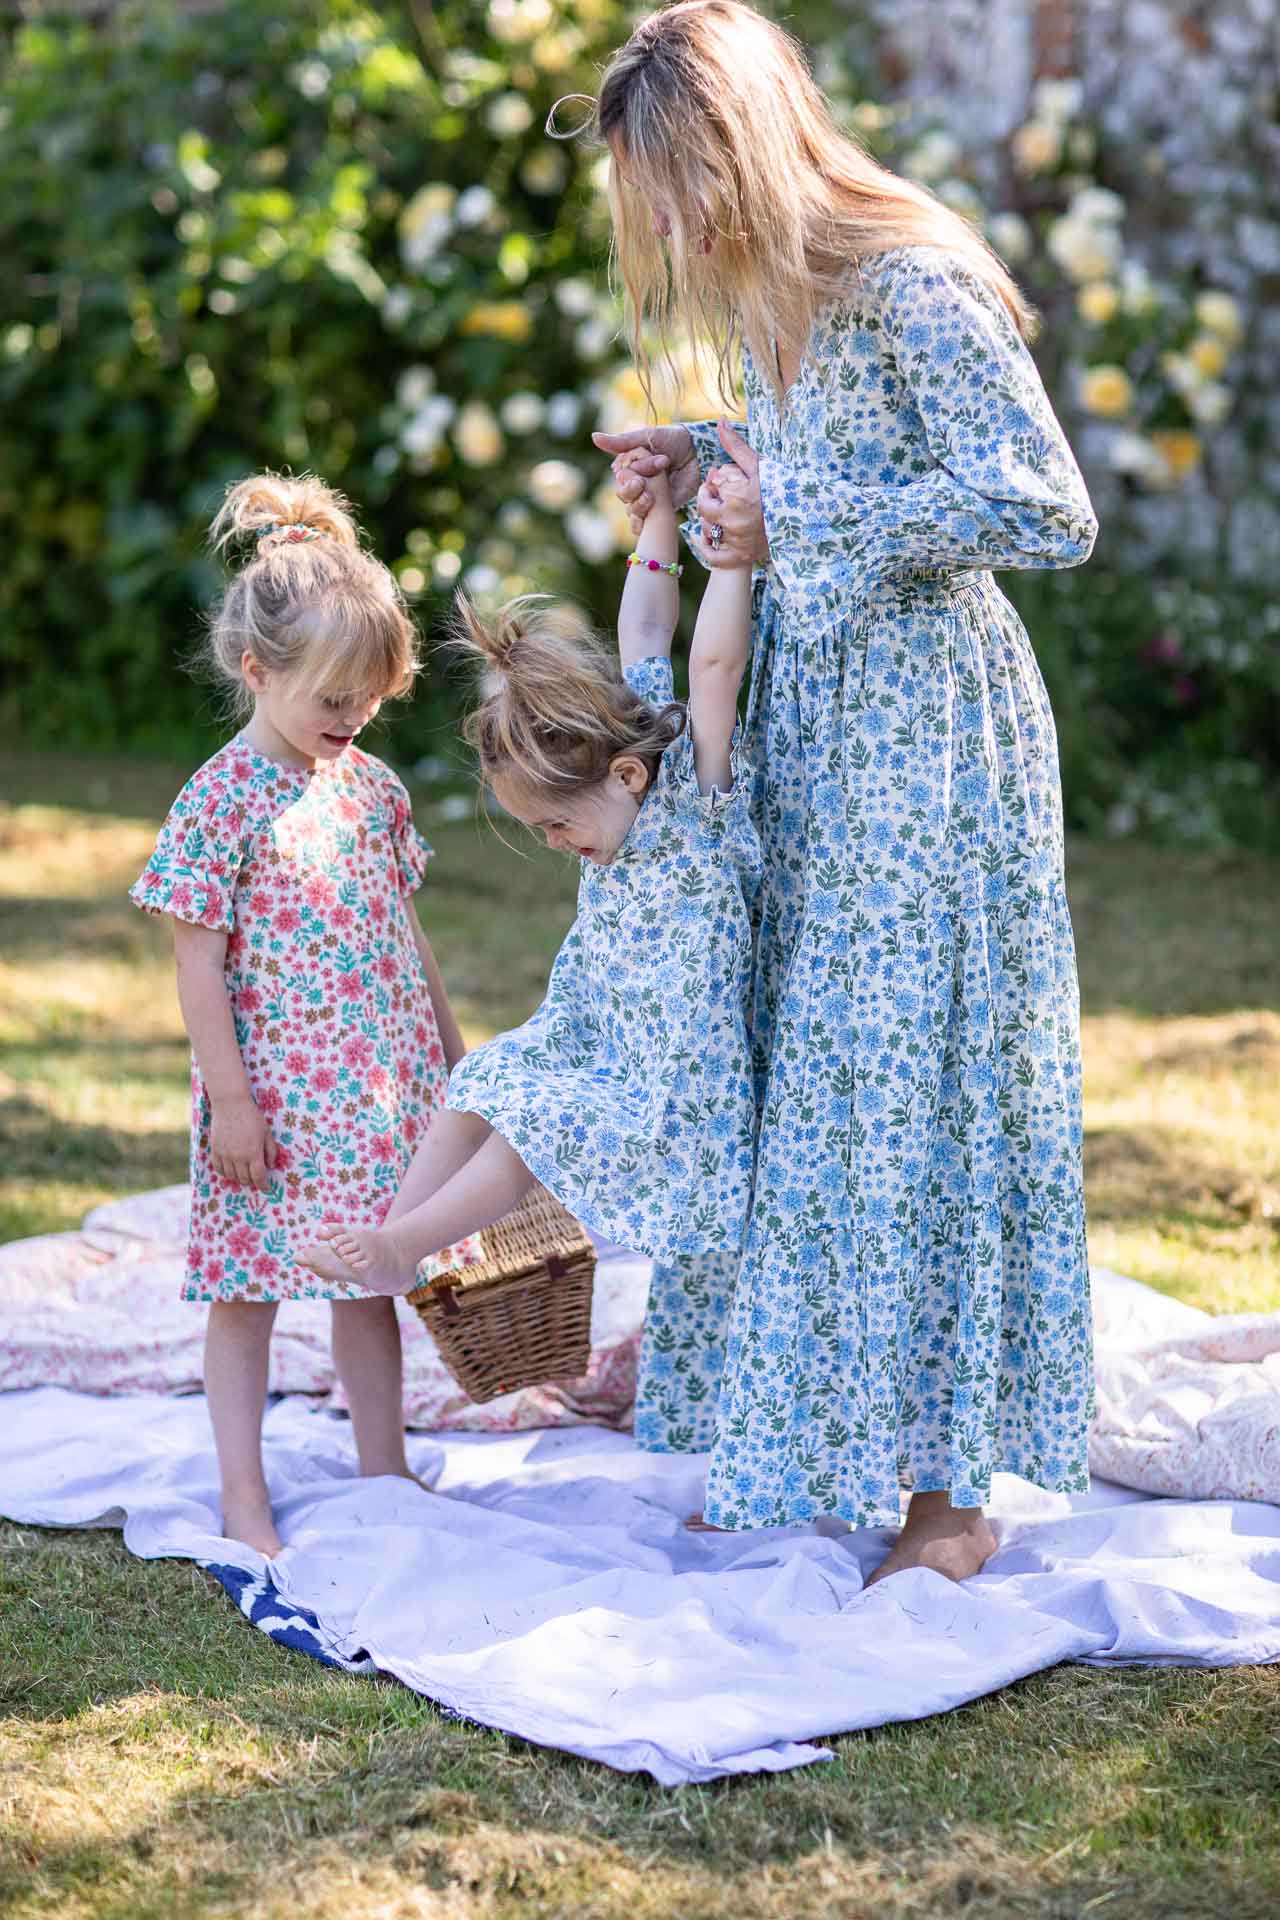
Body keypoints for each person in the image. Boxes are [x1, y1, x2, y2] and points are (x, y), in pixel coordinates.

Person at [589, 0, 1099, 1582]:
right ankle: (814, 1428)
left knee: (916, 1080)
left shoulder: (918, 282)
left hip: (930, 736)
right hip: (810, 709)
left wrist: (794, 498)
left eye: (669, 183)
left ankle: (951, 1498)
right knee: (812, 1077)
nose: (661, 224)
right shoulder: (760, 297)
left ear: (734, 148)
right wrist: (700, 460)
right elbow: (802, 463)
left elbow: (1048, 507)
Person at [296, 458, 761, 1293]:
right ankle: (393, 1235)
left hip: (668, 1091)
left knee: (530, 1124)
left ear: (625, 777)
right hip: (594, 1038)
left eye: (554, 822)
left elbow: (715, 668)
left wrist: (731, 561)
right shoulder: (621, 763)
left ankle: (405, 1249)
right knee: (485, 1081)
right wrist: (656, 516)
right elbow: (647, 629)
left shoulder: (695, 797)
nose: (550, 842)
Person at [130, 473, 466, 1557]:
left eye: (367, 698)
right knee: (248, 1292)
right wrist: (231, 1102)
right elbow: (196, 962)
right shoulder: (220, 799)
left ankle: (385, 1468)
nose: (350, 718)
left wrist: (454, 1059)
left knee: (368, 1280)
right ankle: (244, 1496)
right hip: (270, 1104)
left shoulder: (370, 789)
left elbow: (403, 931)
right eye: (331, 700)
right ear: (257, 672)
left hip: (374, 1091)